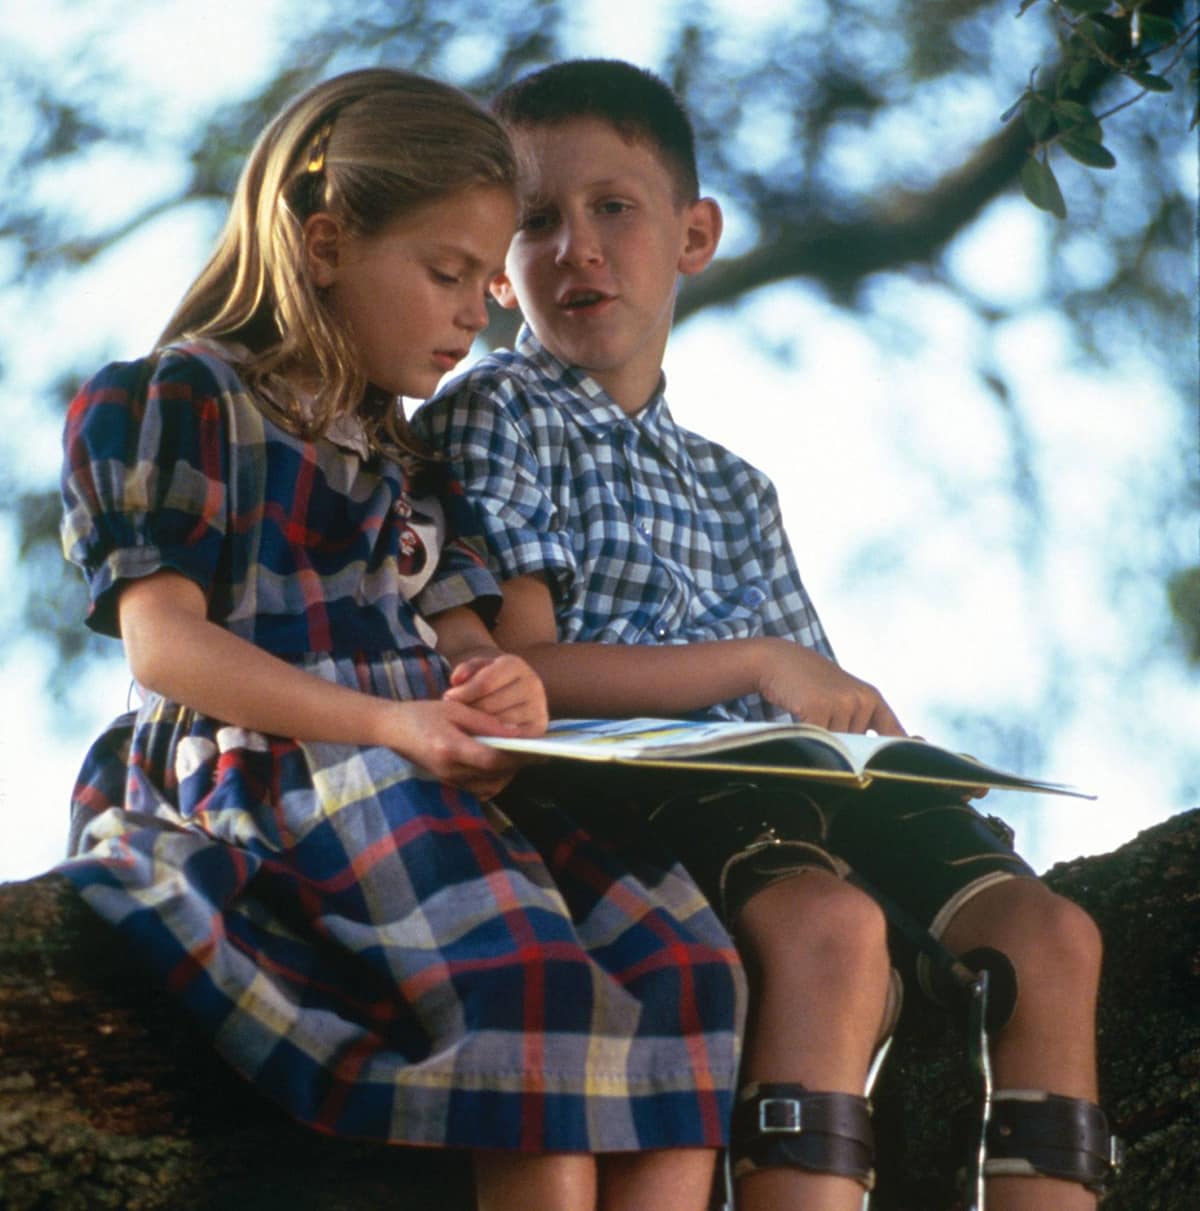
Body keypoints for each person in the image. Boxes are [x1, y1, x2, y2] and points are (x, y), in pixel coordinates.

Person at [415, 58, 1117, 1211]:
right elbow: (525, 672)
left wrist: (894, 755)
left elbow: (818, 693)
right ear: (498, 266)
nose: (576, 248)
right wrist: (750, 665)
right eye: (536, 222)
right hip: (645, 781)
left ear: (694, 236)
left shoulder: (736, 484)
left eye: (614, 209)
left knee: (1052, 935)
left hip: (785, 775)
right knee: (831, 927)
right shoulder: (498, 412)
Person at [57, 67, 747, 1211]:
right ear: (325, 244)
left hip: (425, 756)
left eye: (486, 280)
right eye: (446, 274)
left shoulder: (409, 459)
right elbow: (164, 648)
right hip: (271, 754)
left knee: (686, 957)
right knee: (530, 982)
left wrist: (505, 690)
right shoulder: (175, 399)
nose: (479, 312)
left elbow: (470, 647)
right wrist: (392, 721)